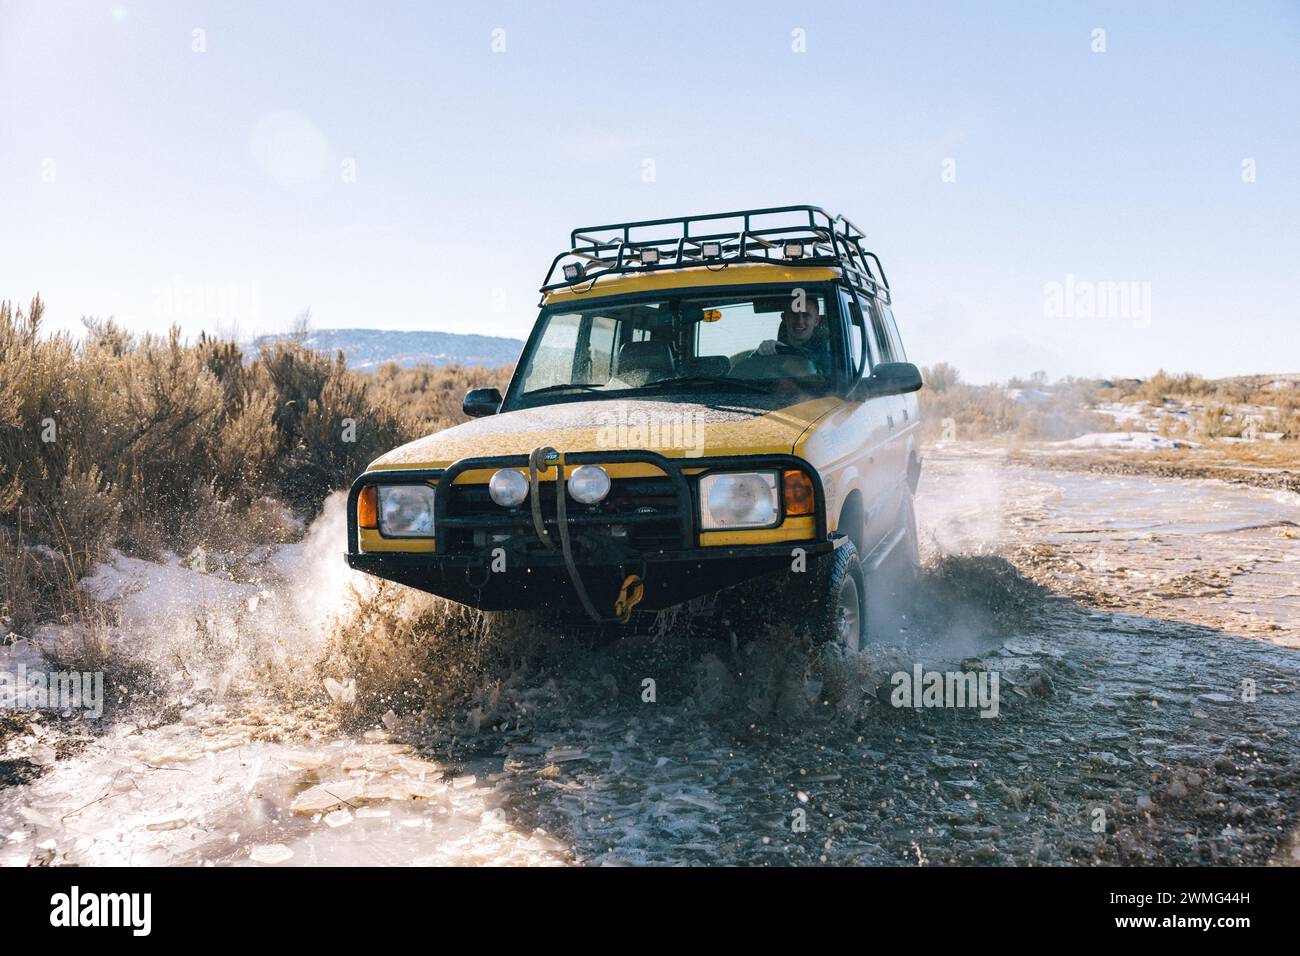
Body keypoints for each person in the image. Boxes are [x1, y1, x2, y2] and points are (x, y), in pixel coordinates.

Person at [756, 298, 830, 373]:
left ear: (816, 321)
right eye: (794, 314)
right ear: (784, 318)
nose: (800, 321)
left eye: (806, 315)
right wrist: (763, 350)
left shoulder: (830, 355)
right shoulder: (772, 354)